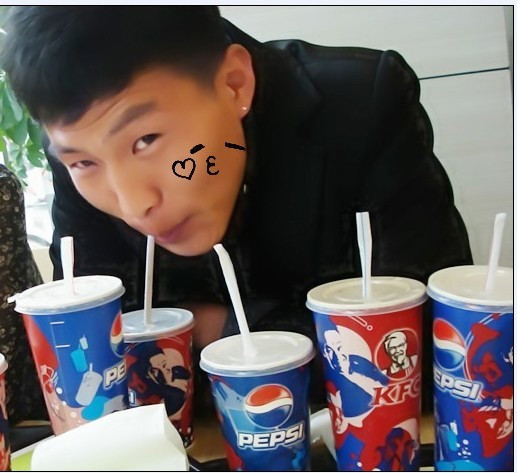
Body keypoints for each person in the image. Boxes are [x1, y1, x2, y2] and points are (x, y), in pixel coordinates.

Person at [1, 6, 472, 410]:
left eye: (146, 140)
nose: (134, 204)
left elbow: (434, 348)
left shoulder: (358, 106)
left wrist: (212, 328)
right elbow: (94, 359)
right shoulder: (77, 152)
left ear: (234, 84)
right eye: (84, 162)